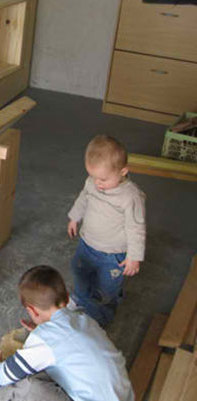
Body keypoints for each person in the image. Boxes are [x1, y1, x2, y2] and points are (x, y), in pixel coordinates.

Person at [0, 265, 134, 401]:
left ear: (32, 310)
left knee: (30, 385)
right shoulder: (84, 320)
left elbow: (12, 370)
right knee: (52, 364)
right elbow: (67, 343)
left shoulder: (45, 339)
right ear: (67, 298)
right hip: (124, 396)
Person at [67, 135, 146, 327]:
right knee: (80, 272)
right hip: (87, 243)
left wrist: (134, 256)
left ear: (123, 171)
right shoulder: (91, 183)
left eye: (103, 179)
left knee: (106, 288)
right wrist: (74, 217)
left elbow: (136, 227)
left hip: (112, 254)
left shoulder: (130, 197)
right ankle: (79, 298)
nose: (97, 183)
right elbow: (83, 198)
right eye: (93, 176)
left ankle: (100, 316)